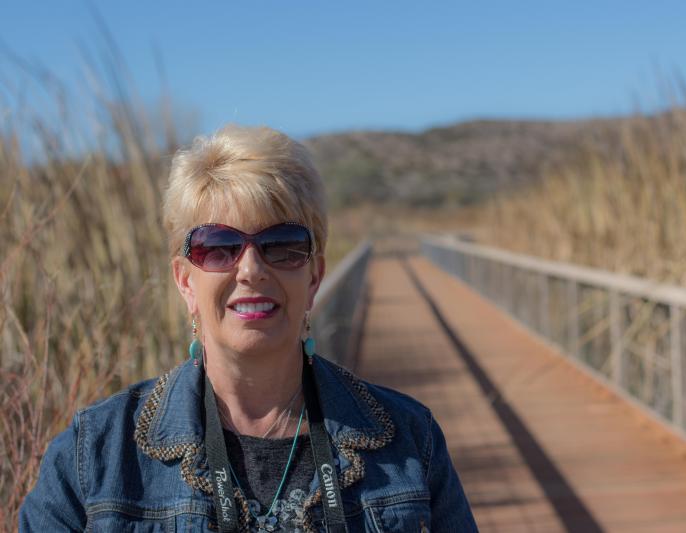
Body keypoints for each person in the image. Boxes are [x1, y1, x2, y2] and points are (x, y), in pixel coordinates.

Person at [19, 125, 478, 532]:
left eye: (282, 244)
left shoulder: (409, 438)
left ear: (314, 277)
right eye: (218, 246)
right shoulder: (93, 455)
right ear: (185, 281)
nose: (252, 270)